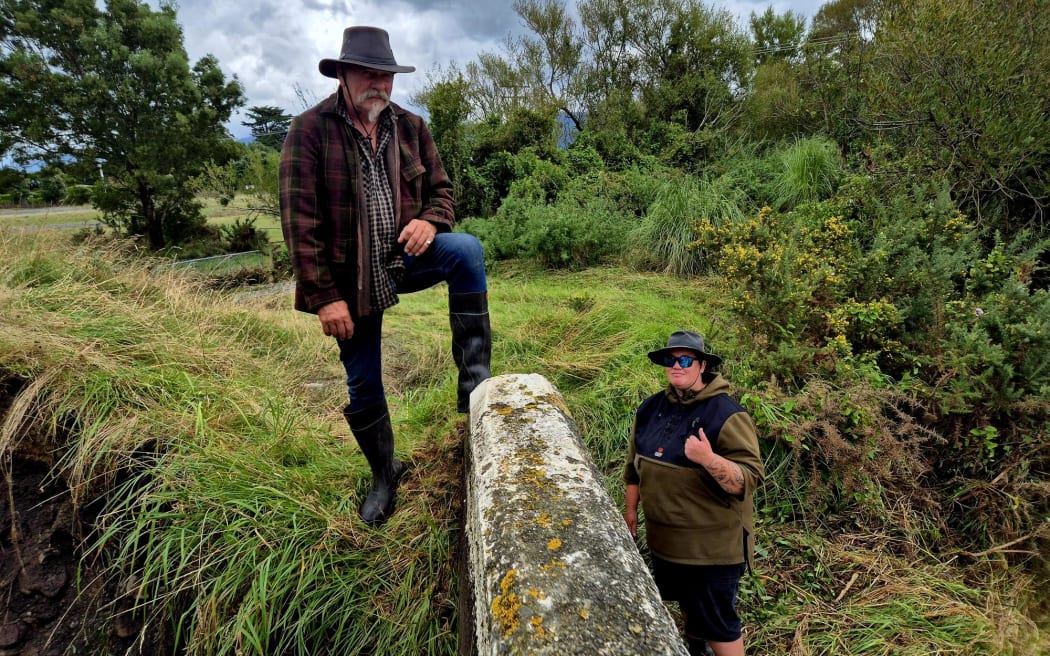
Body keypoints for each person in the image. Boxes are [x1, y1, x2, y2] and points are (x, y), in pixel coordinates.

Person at [280, 26, 491, 527]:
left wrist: (430, 221)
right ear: (343, 75)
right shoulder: (309, 131)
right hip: (349, 279)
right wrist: (324, 297)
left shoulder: (412, 127)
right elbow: (299, 222)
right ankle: (384, 473)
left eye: (387, 75)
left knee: (465, 250)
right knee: (363, 381)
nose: (379, 84)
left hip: (403, 258)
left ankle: (475, 391)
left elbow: (443, 192)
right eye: (368, 74)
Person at [624, 331, 764, 656]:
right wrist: (630, 512)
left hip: (711, 550)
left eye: (685, 360)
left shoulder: (726, 414)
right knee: (687, 602)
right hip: (665, 541)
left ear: (702, 366)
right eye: (670, 360)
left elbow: (748, 479)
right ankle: (696, 647)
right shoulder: (650, 408)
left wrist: (708, 459)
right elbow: (633, 467)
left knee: (719, 624)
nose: (677, 366)